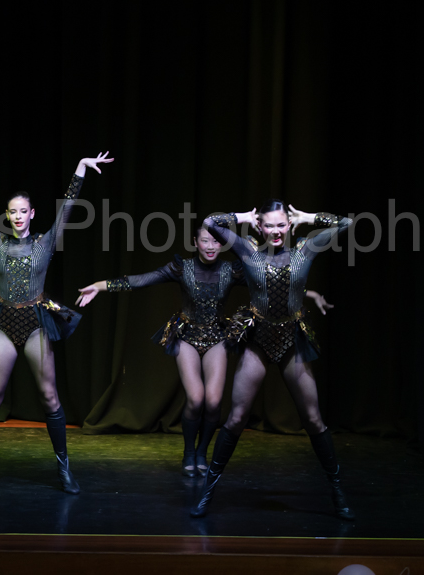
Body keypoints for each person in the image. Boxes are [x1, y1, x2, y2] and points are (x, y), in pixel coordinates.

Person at [76, 225, 334, 477]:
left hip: (217, 337)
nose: (211, 246)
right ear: (195, 242)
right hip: (187, 336)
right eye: (205, 241)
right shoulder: (181, 268)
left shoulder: (231, 270)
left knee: (213, 402)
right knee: (196, 398)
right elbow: (143, 279)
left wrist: (309, 293)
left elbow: (272, 284)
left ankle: (202, 452)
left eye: (216, 241)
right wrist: (100, 285)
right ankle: (189, 452)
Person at [0, 143, 113, 494]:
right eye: (13, 212)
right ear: (7, 216)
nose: (18, 216)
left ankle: (64, 469)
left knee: (49, 396)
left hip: (36, 322)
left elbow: (67, 208)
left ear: (32, 213)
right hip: (5, 321)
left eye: (23, 211)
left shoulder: (44, 243)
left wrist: (81, 168)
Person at [190, 202, 353, 520]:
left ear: (289, 226)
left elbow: (345, 223)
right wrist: (242, 217)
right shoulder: (247, 250)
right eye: (269, 225)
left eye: (281, 225)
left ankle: (337, 491)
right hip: (259, 341)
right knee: (236, 418)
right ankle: (207, 492)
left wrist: (309, 217)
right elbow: (210, 222)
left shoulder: (305, 249)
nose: (276, 231)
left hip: (292, 341)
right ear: (260, 227)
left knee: (313, 419)